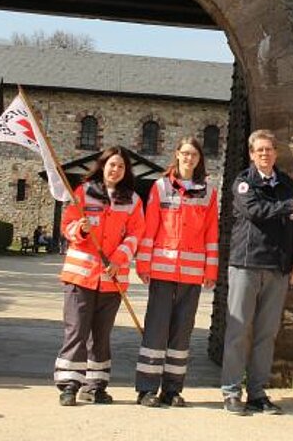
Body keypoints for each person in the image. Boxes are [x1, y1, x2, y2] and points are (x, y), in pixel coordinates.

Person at [221, 129, 293, 415]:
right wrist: (292, 205)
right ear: (251, 154)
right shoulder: (243, 183)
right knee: (239, 331)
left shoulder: (286, 183)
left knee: (266, 333)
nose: (265, 154)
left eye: (269, 150)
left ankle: (258, 393)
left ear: (276, 153)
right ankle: (232, 391)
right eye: (259, 150)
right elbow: (256, 211)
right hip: (247, 264)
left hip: (277, 267)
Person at [53, 146, 144, 406]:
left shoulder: (133, 201)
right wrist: (79, 230)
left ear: (126, 172)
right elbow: (66, 226)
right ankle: (70, 384)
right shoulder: (82, 193)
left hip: (111, 279)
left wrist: (118, 260)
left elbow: (136, 234)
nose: (115, 170)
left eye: (121, 166)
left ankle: (96, 385)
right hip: (80, 277)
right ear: (103, 166)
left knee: (101, 335)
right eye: (111, 165)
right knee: (77, 331)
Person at [134, 137, 219, 408]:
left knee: (182, 333)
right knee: (156, 331)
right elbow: (149, 229)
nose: (189, 158)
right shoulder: (160, 187)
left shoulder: (208, 192)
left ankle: (171, 390)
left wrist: (211, 270)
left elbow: (211, 235)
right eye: (185, 153)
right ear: (177, 155)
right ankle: (147, 389)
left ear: (199, 159)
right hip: (161, 270)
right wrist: (143, 264)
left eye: (194, 154)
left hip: (192, 274)